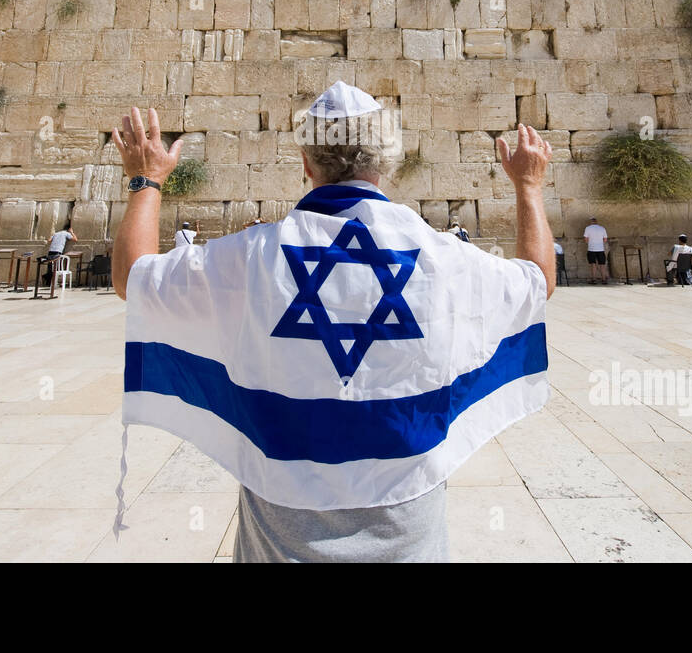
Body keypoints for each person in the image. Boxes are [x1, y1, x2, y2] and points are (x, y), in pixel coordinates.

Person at [112, 81, 554, 563]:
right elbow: (537, 281)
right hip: (407, 522)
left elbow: (134, 278)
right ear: (386, 163)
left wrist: (145, 180)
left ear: (306, 163)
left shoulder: (251, 256)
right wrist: (528, 187)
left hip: (282, 527)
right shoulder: (443, 257)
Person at [43, 221, 77, 285]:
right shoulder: (66, 233)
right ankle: (55, 282)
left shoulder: (56, 233)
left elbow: (49, 240)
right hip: (57, 251)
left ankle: (48, 281)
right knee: (57, 267)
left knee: (50, 267)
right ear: (68, 230)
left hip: (51, 251)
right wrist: (72, 232)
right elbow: (75, 239)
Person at [582, 217, 608, 284]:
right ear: (597, 221)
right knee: (602, 264)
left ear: (591, 222)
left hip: (591, 249)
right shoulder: (602, 228)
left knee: (593, 264)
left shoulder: (588, 228)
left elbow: (586, 239)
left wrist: (590, 243)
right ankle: (604, 280)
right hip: (600, 249)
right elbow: (605, 240)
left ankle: (593, 279)